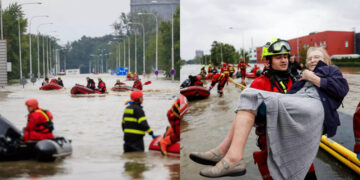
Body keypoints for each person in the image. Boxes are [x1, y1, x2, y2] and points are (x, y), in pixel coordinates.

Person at [190, 43, 349, 179]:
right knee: (248, 96)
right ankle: (223, 152)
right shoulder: (261, 82)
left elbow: (338, 91)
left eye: (285, 57)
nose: (284, 60)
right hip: (272, 145)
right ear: (269, 61)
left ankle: (225, 154)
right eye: (278, 57)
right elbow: (246, 116)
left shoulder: (298, 79)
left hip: (297, 142)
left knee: (306, 174)